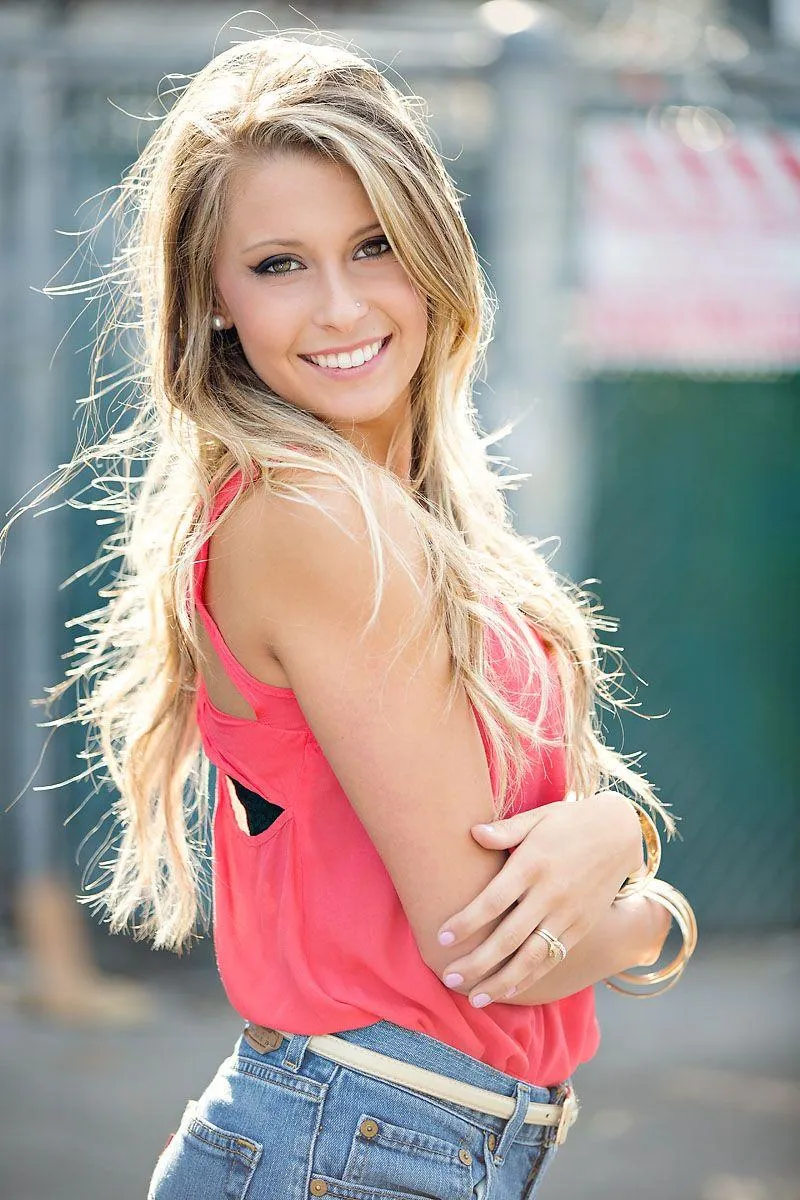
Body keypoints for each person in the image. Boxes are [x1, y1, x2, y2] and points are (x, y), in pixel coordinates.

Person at [6, 33, 690, 1200]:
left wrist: (616, 832)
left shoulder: (400, 508)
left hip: (378, 1143)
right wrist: (653, 912)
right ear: (214, 302)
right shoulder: (312, 514)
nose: (339, 307)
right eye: (278, 264)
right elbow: (487, 950)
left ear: (429, 247)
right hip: (357, 1147)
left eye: (373, 244)